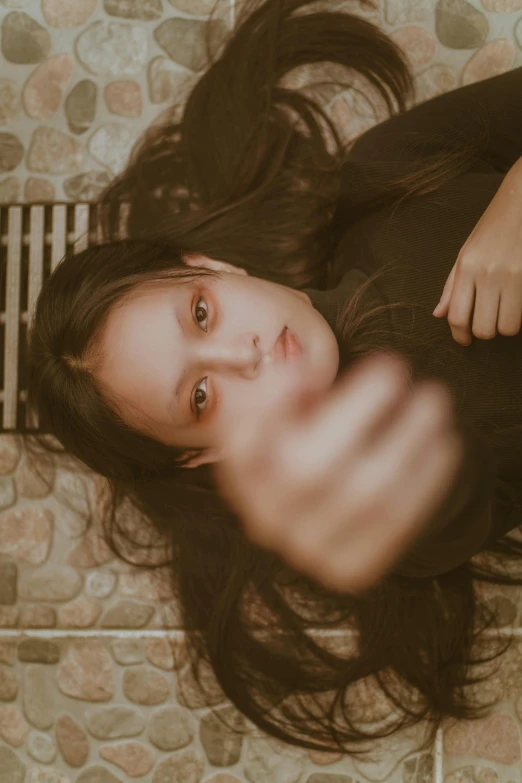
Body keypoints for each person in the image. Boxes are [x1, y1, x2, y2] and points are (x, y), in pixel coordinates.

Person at [25, 0, 522, 758]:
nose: (240, 354)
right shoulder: (381, 504)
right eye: (200, 396)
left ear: (213, 268)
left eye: (200, 313)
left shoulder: (381, 178)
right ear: (204, 452)